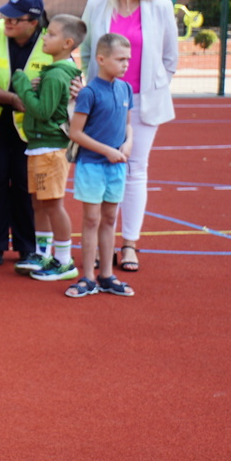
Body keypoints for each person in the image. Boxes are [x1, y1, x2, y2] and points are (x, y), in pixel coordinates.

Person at [79, 0, 179, 273]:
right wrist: (83, 85)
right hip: (101, 102)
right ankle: (97, 244)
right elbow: (83, 50)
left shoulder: (160, 8)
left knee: (136, 169)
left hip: (142, 100)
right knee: (100, 164)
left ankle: (130, 243)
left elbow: (170, 58)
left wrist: (153, 84)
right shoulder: (97, 5)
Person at [0, 0, 51, 266]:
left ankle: (26, 246)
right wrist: (12, 99)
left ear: (33, 22)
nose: (7, 21)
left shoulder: (51, 40)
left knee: (24, 184)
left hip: (32, 127)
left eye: (14, 19)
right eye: (6, 16)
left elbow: (66, 76)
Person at [11, 14, 85, 282]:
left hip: (50, 148)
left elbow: (43, 111)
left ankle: (64, 260)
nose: (44, 37)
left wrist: (21, 86)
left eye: (51, 34)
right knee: (39, 204)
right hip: (40, 146)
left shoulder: (56, 74)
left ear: (67, 43)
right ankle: (43, 254)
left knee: (52, 205)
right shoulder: (56, 72)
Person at [64, 33, 134, 298]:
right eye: (120, 59)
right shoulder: (90, 92)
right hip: (92, 165)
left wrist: (127, 145)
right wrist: (107, 150)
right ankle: (89, 277)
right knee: (91, 219)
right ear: (101, 59)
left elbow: (128, 125)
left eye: (128, 59)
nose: (126, 64)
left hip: (116, 167)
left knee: (109, 218)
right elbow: (76, 133)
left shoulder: (125, 89)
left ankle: (107, 275)